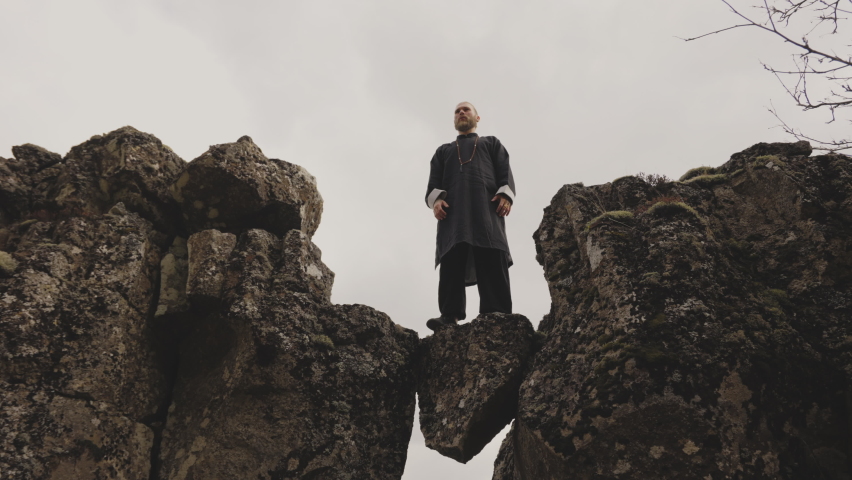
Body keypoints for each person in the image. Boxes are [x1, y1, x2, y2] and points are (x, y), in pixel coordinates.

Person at [425, 102, 515, 331]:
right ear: (454, 120)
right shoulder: (443, 151)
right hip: (453, 215)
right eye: (457, 111)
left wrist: (506, 195)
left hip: (487, 210)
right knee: (451, 259)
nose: (461, 112)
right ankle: (449, 316)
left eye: (466, 109)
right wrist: (436, 201)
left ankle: (497, 314)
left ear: (477, 117)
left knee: (491, 253)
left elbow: (504, 173)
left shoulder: (491, 143)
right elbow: (433, 185)